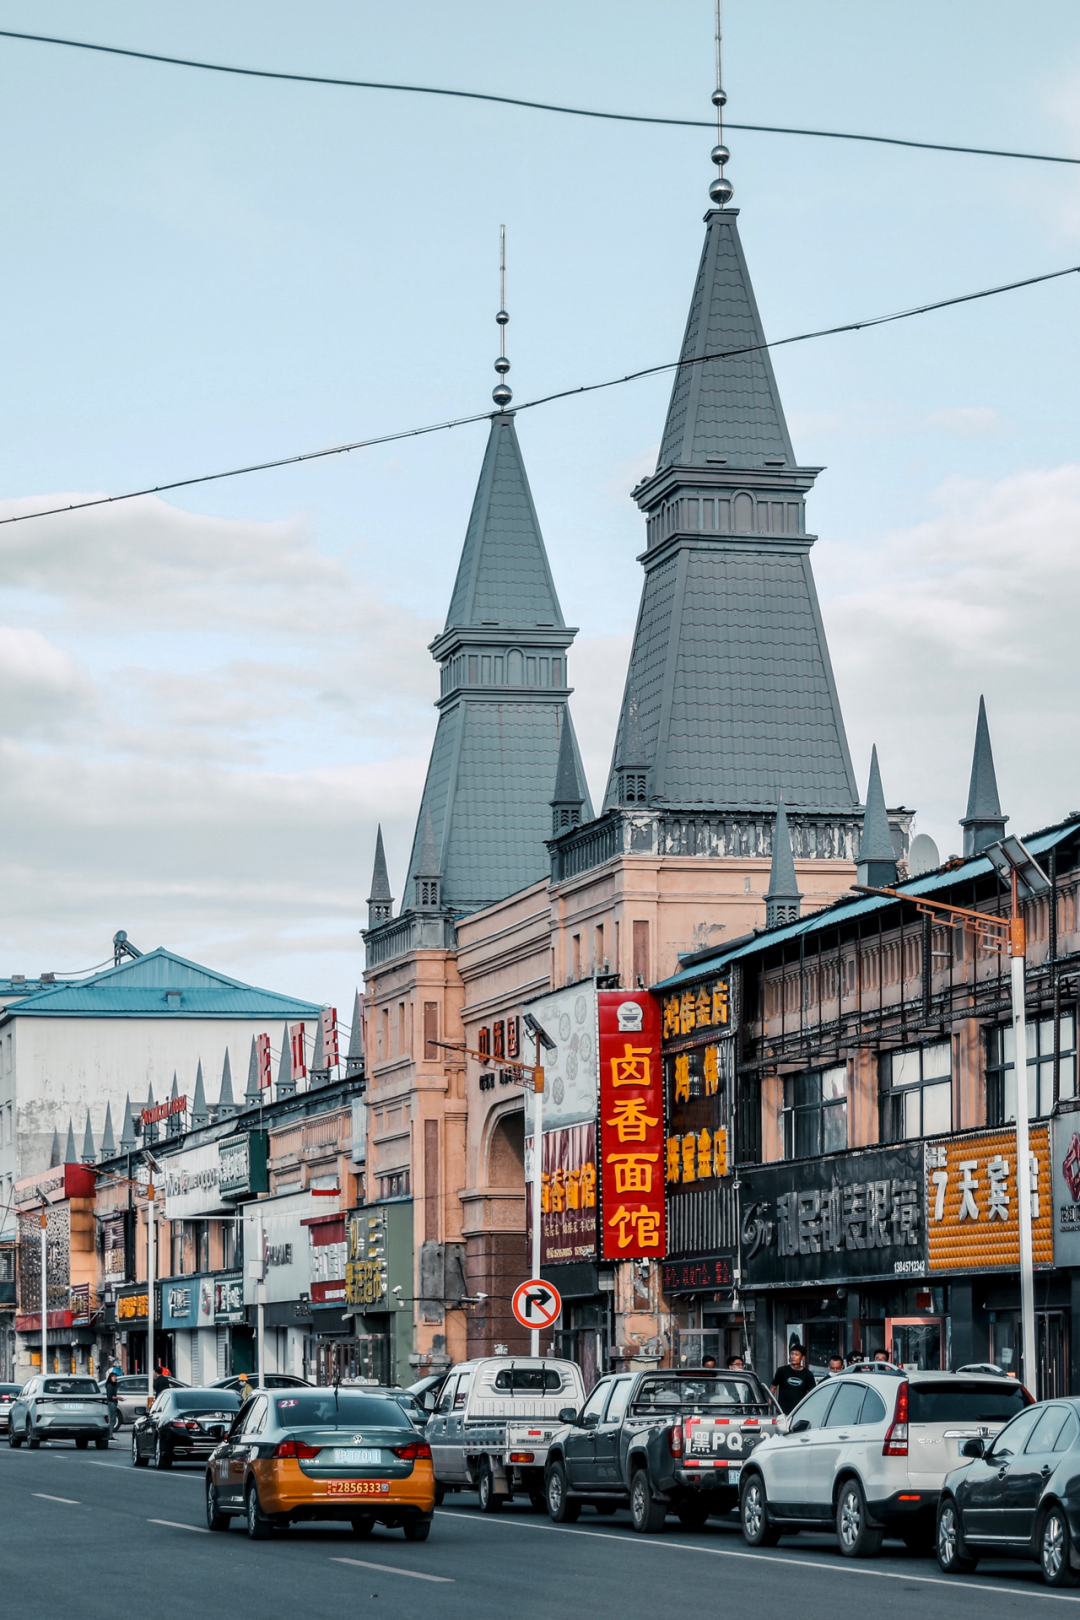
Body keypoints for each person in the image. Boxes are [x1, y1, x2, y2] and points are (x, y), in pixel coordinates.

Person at [770, 1344, 817, 1414]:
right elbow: (773, 1387)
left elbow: (813, 1393)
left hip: (800, 1411)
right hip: (782, 1411)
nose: (793, 1357)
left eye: (797, 1355)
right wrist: (769, 1406)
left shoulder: (807, 1374)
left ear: (802, 1358)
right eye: (792, 1354)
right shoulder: (782, 1371)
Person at [104, 1363, 121, 1433]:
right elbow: (110, 1397)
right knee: (112, 1419)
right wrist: (117, 1398)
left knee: (113, 1419)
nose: (115, 1378)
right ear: (110, 1377)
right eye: (113, 1376)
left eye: (115, 1376)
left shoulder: (113, 1385)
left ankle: (110, 1434)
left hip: (114, 1403)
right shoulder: (110, 1386)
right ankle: (110, 1434)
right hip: (111, 1403)